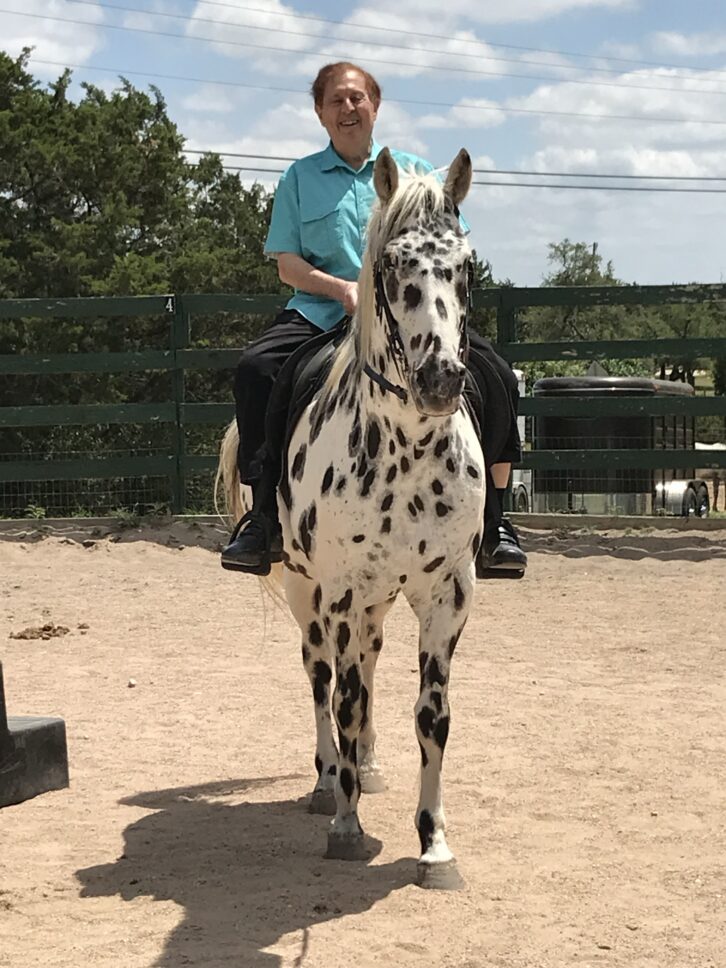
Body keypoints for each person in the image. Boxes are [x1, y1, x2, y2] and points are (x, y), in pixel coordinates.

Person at [221, 61, 527, 578]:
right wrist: (341, 289)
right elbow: (287, 263)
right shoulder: (301, 178)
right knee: (255, 370)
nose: (348, 108)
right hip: (323, 312)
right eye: (336, 100)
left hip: (408, 316)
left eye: (358, 98)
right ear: (320, 113)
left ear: (375, 106)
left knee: (497, 376)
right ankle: (263, 518)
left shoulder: (418, 175)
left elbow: (450, 243)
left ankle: (495, 522)